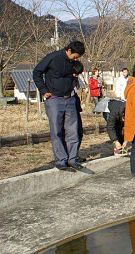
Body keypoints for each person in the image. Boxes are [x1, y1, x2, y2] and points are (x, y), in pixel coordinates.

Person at [33, 41, 86, 171]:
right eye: (75, 56)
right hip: (54, 99)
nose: (76, 58)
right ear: (68, 50)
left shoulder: (74, 62)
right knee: (56, 131)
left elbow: (76, 72)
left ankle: (72, 159)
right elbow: (37, 72)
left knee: (73, 131)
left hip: (70, 99)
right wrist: (43, 90)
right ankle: (61, 160)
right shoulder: (52, 57)